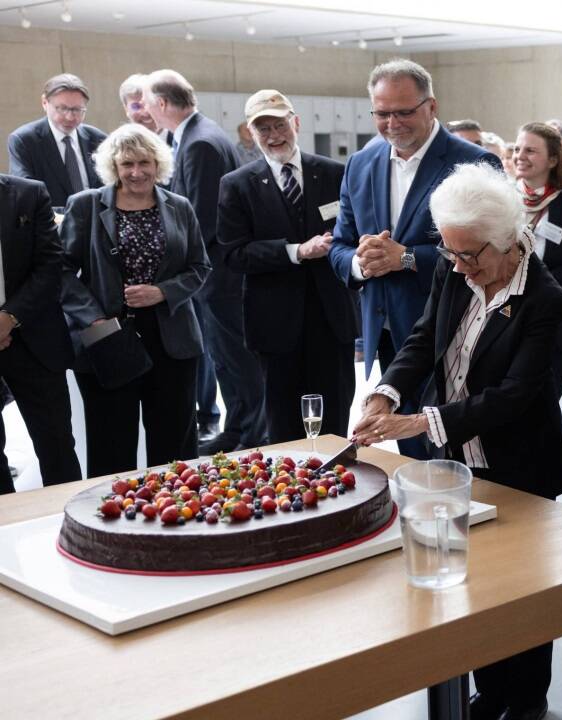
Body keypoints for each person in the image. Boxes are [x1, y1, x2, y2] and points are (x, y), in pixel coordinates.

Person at [350, 163, 562, 720]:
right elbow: (425, 337)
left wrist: (422, 423)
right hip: (457, 463)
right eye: (449, 253)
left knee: (521, 594)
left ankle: (525, 699)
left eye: (469, 256)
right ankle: (489, 689)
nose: (457, 266)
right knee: (468, 584)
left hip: (519, 463)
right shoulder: (456, 266)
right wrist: (387, 393)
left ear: (506, 243)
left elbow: (513, 397)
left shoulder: (546, 300)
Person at [328, 59, 501, 459]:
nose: (393, 123)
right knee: (408, 447)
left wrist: (405, 258)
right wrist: (360, 262)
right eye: (382, 113)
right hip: (386, 333)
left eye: (404, 111)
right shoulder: (360, 164)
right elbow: (339, 246)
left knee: (451, 449)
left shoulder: (473, 164)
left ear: (432, 106)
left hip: (451, 332)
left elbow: (494, 255)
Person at [59, 124, 211, 477]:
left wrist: (163, 292)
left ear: (158, 164)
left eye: (144, 162)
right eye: (127, 164)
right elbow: (61, 270)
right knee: (111, 443)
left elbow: (200, 266)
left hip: (172, 339)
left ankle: (178, 518)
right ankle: (112, 523)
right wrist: (93, 317)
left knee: (175, 448)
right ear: (113, 166)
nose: (137, 172)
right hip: (109, 337)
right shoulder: (85, 206)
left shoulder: (180, 207)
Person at [217, 90, 358, 445]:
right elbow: (233, 254)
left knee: (335, 417)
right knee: (283, 425)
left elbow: (354, 232)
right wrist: (295, 251)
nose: (274, 135)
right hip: (275, 325)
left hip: (332, 319)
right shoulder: (236, 186)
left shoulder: (335, 173)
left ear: (295, 122)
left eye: (279, 124)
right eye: (263, 129)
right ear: (251, 133)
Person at [144, 69, 261, 454]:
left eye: (148, 105)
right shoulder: (198, 134)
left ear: (162, 104)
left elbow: (201, 218)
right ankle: (239, 428)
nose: (147, 113)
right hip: (217, 274)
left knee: (234, 358)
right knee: (227, 358)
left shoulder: (198, 143)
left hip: (218, 275)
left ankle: (250, 433)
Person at [0, 171, 81, 494]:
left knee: (57, 445)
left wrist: (8, 319)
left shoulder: (28, 194)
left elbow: (50, 265)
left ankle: (75, 533)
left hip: (34, 338)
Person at [511, 122, 562, 398]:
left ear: (553, 159)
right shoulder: (501, 201)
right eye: (518, 148)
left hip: (556, 326)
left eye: (531, 150)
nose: (520, 155)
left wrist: (534, 284)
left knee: (547, 408)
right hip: (506, 322)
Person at [8, 73, 107, 209]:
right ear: (45, 103)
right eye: (62, 108)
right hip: (50, 223)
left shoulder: (98, 139)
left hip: (95, 223)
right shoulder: (25, 141)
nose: (70, 117)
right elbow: (25, 192)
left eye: (77, 110)